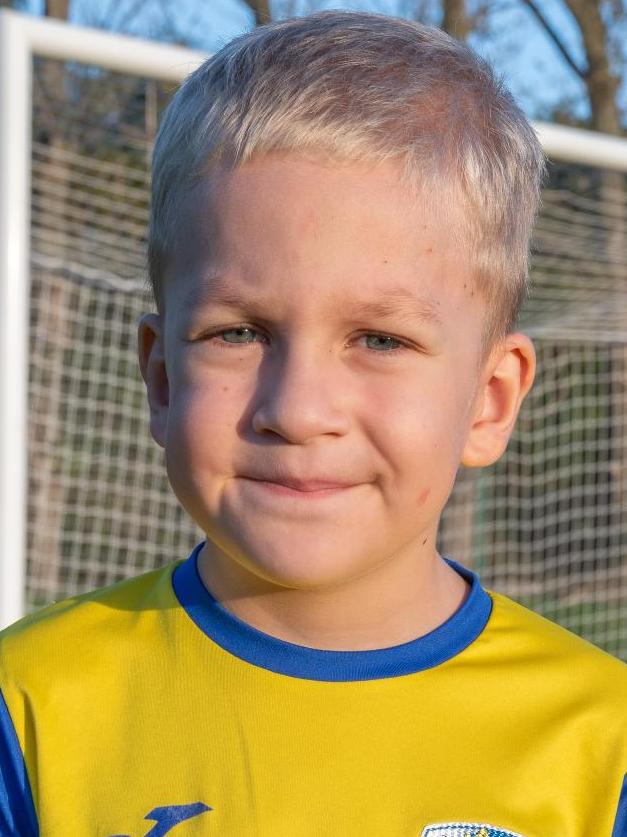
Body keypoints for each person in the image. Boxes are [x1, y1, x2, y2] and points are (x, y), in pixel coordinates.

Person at [1, 10, 626, 837]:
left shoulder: (603, 747)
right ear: (160, 375)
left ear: (490, 399)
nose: (297, 410)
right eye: (238, 332)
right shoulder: (26, 706)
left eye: (379, 339)